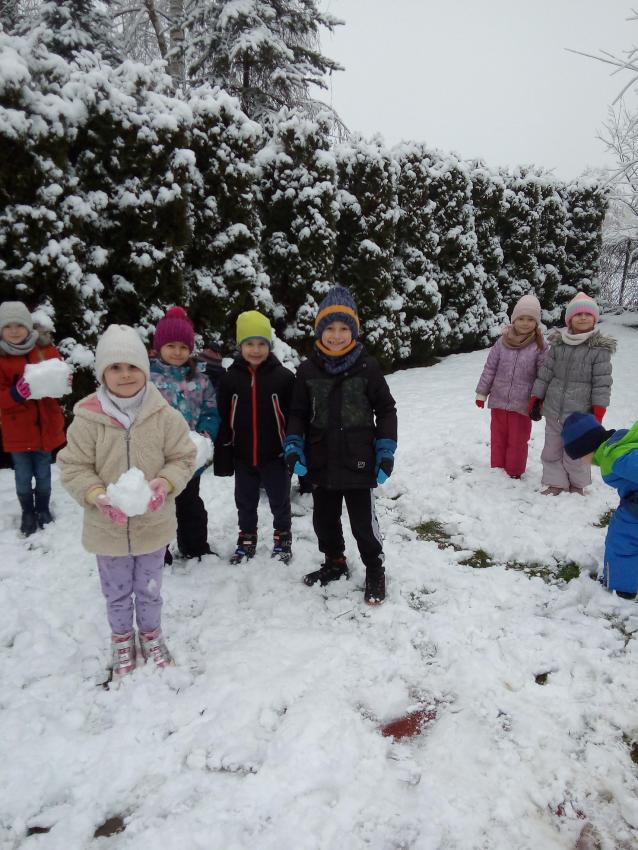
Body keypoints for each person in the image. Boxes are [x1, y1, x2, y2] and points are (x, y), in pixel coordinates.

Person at [57, 324, 197, 678]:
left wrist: (166, 483)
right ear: (102, 372)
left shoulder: (165, 416)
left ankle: (151, 635)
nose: (125, 375)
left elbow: (183, 457)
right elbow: (73, 466)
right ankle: (121, 638)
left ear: (144, 369)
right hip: (107, 529)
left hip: (153, 525)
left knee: (150, 589)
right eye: (115, 367)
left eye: (132, 366)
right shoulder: (87, 418)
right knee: (117, 592)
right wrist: (96, 495)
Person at [284, 285, 397, 605]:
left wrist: (385, 449)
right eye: (330, 328)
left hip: (359, 461)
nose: (336, 335)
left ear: (354, 331)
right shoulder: (307, 370)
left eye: (344, 328)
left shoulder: (367, 367)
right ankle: (334, 562)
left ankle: (374, 568)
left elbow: (386, 409)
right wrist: (294, 445)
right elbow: (298, 413)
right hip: (321, 461)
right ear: (320, 330)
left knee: (363, 524)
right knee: (324, 520)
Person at [216, 310, 295, 564]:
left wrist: (292, 447)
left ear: (269, 345)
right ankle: (247, 538)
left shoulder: (284, 378)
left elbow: (294, 416)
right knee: (245, 501)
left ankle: (282, 538)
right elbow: (223, 417)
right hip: (242, 456)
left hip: (276, 455)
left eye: (262, 343)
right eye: (249, 343)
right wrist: (224, 450)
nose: (256, 350)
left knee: (280, 500)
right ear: (240, 346)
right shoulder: (231, 379)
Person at [150, 306, 220, 561]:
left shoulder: (201, 380)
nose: (177, 352)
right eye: (171, 346)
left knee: (190, 504)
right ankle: (157, 552)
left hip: (188, 457)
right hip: (156, 458)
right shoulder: (147, 379)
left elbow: (211, 412)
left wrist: (204, 436)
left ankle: (194, 546)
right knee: (158, 507)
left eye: (183, 347)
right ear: (159, 346)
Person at [529, 292, 615, 495]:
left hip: (580, 415)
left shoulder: (599, 349)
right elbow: (545, 374)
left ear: (594, 318)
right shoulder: (558, 345)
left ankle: (577, 484)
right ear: (569, 319)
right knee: (551, 450)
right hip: (553, 410)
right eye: (578, 314)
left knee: (576, 452)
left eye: (588, 314)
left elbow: (602, 383)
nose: (583, 318)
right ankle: (556, 482)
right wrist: (536, 398)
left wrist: (598, 411)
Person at [0, 301, 66, 535]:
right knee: (23, 475)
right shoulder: (2, 358)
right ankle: (28, 512)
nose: (14, 331)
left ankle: (43, 509)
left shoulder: (43, 350)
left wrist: (63, 380)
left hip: (44, 427)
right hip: (18, 431)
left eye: (19, 325)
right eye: (8, 326)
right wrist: (15, 394)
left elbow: (59, 372)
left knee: (44, 473)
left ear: (28, 327)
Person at [562, 412, 638, 598]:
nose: (581, 461)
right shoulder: (617, 443)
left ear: (586, 448)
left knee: (622, 538)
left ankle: (623, 588)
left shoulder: (614, 457)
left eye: (579, 456)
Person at [475, 293, 546, 478]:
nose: (525, 323)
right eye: (521, 318)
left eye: (530, 319)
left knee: (517, 440)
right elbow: (490, 368)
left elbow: (543, 376)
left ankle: (514, 472)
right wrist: (482, 393)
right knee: (498, 437)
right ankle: (497, 468)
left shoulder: (540, 346)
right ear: (514, 320)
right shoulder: (502, 342)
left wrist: (538, 399)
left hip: (522, 404)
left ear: (536, 322)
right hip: (499, 400)